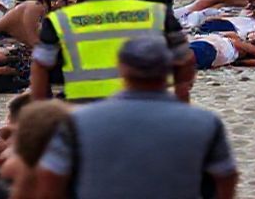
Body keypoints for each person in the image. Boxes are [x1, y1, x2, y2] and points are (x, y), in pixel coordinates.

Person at [36, 37, 238, 199]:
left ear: (122, 68)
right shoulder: (202, 122)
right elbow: (226, 178)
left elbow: (51, 181)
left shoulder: (80, 120)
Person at [29, 0, 195, 103]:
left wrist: (42, 108)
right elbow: (184, 58)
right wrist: (182, 98)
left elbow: (40, 66)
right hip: (144, 104)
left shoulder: (61, 20)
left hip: (84, 106)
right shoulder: (156, 13)